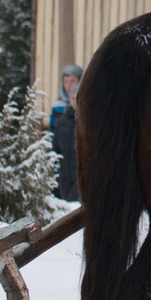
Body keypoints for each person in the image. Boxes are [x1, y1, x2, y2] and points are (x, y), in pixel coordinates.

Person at [50, 63, 83, 202]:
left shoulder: (85, 107)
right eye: (66, 81)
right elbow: (53, 137)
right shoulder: (58, 106)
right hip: (63, 167)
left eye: (72, 81)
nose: (69, 85)